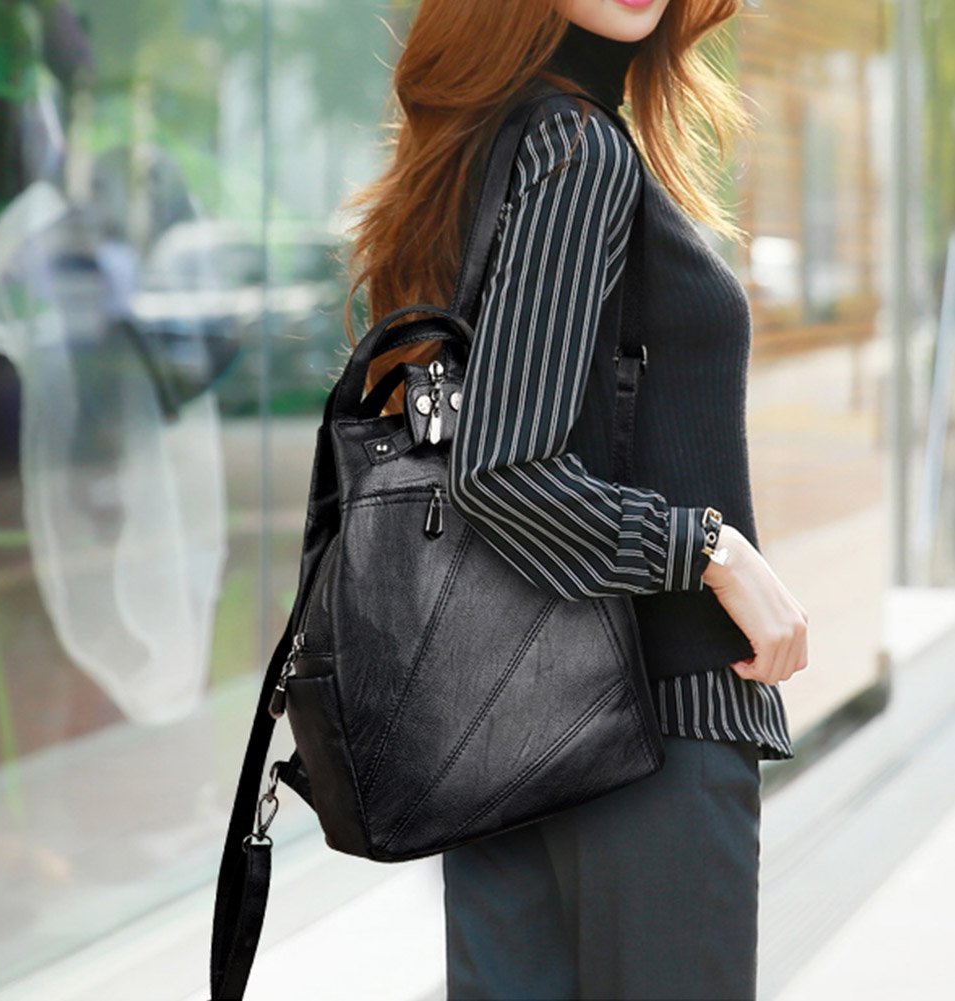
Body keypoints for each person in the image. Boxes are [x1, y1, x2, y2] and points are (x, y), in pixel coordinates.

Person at [341, 1, 808, 998]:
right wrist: (712, 550)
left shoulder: (487, 145)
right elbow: (504, 468)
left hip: (496, 727)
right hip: (649, 731)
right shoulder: (574, 148)